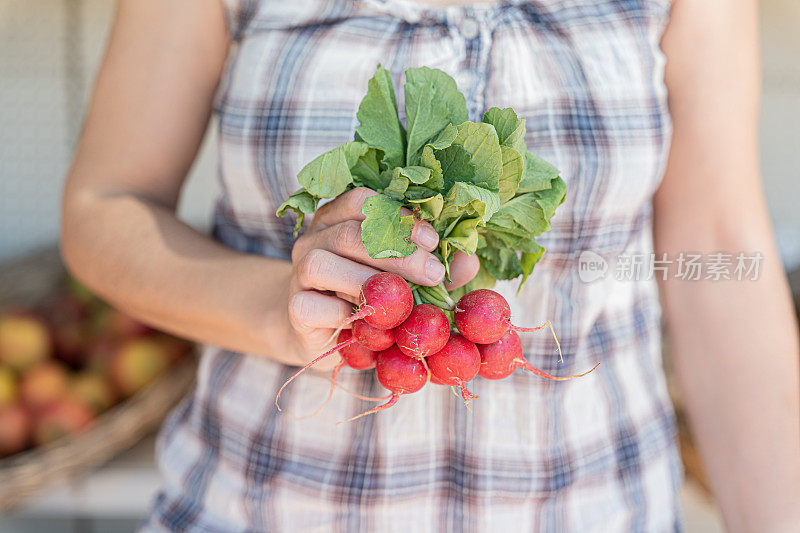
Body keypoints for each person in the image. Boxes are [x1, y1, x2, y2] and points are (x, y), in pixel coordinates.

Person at [61, 0, 800, 530]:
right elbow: (103, 209)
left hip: (599, 503)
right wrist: (276, 310)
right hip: (262, 505)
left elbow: (723, 255)